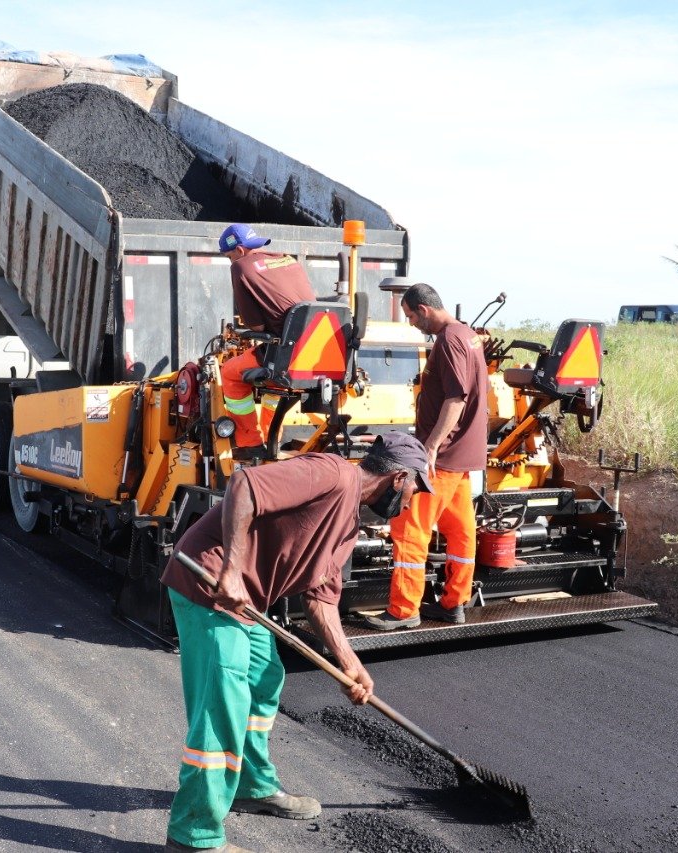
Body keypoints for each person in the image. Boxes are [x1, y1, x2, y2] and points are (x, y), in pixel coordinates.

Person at [159, 433, 434, 853]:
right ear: (399, 478)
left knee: (264, 679)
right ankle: (194, 836)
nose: (414, 501)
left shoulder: (347, 527)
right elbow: (244, 485)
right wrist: (232, 570)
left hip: (246, 599)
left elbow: (321, 599)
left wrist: (349, 664)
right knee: (222, 707)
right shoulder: (332, 474)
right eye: (416, 488)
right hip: (210, 584)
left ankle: (251, 786)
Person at [364, 282, 489, 630]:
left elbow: (456, 398)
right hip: (463, 457)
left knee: (409, 530)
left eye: (411, 316)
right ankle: (454, 603)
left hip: (442, 457)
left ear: (424, 309)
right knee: (460, 530)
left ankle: (403, 611)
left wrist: (430, 447)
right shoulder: (468, 335)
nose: (411, 324)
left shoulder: (449, 340)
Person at [217, 224, 316, 460]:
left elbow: (257, 327)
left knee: (231, 372)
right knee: (276, 382)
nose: (230, 261)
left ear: (239, 250)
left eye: (229, 256)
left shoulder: (240, 266)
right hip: (312, 352)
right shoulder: (288, 260)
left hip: (285, 352)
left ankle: (250, 443)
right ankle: (273, 438)